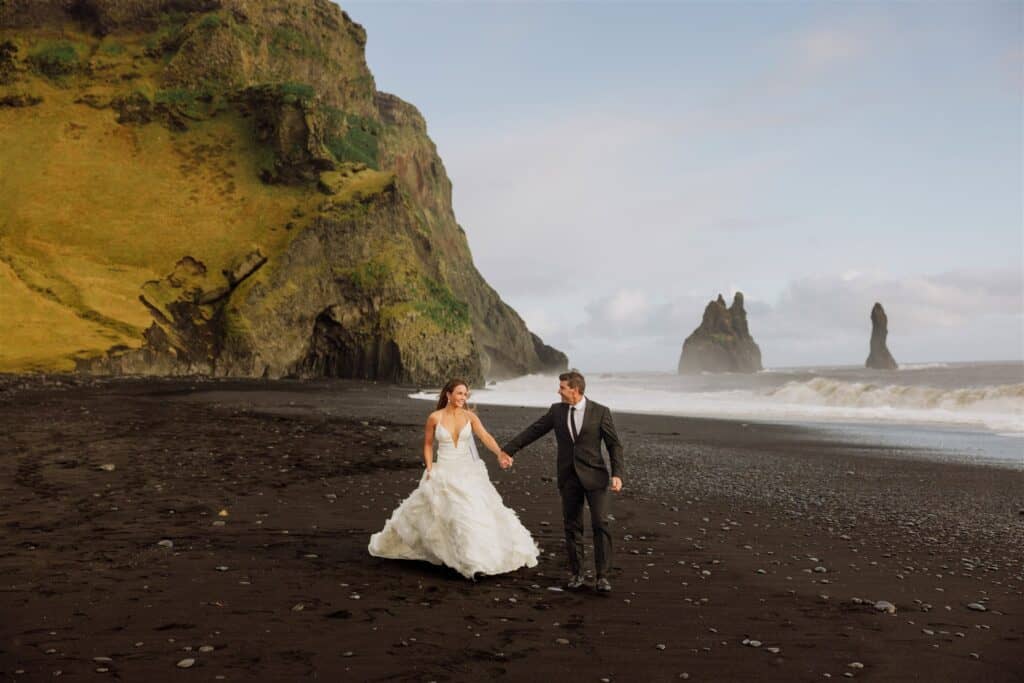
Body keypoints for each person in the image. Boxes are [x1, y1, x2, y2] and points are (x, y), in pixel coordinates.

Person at [368, 379, 539, 579]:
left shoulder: (470, 416)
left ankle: (474, 560)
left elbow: (485, 436)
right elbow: (428, 445)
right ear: (448, 395)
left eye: (465, 394)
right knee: (448, 514)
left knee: (471, 512)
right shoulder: (434, 417)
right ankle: (457, 557)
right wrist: (430, 468)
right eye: (459, 394)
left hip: (469, 470)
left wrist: (500, 453)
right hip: (445, 470)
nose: (463, 398)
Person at [500, 370, 624, 593]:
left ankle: (602, 576)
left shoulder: (600, 412)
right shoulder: (557, 411)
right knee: (572, 526)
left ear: (575, 390)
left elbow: (614, 444)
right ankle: (577, 574)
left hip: (596, 476)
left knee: (601, 523)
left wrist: (618, 474)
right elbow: (534, 430)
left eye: (562, 387)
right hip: (569, 477)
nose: (559, 391)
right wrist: (508, 450)